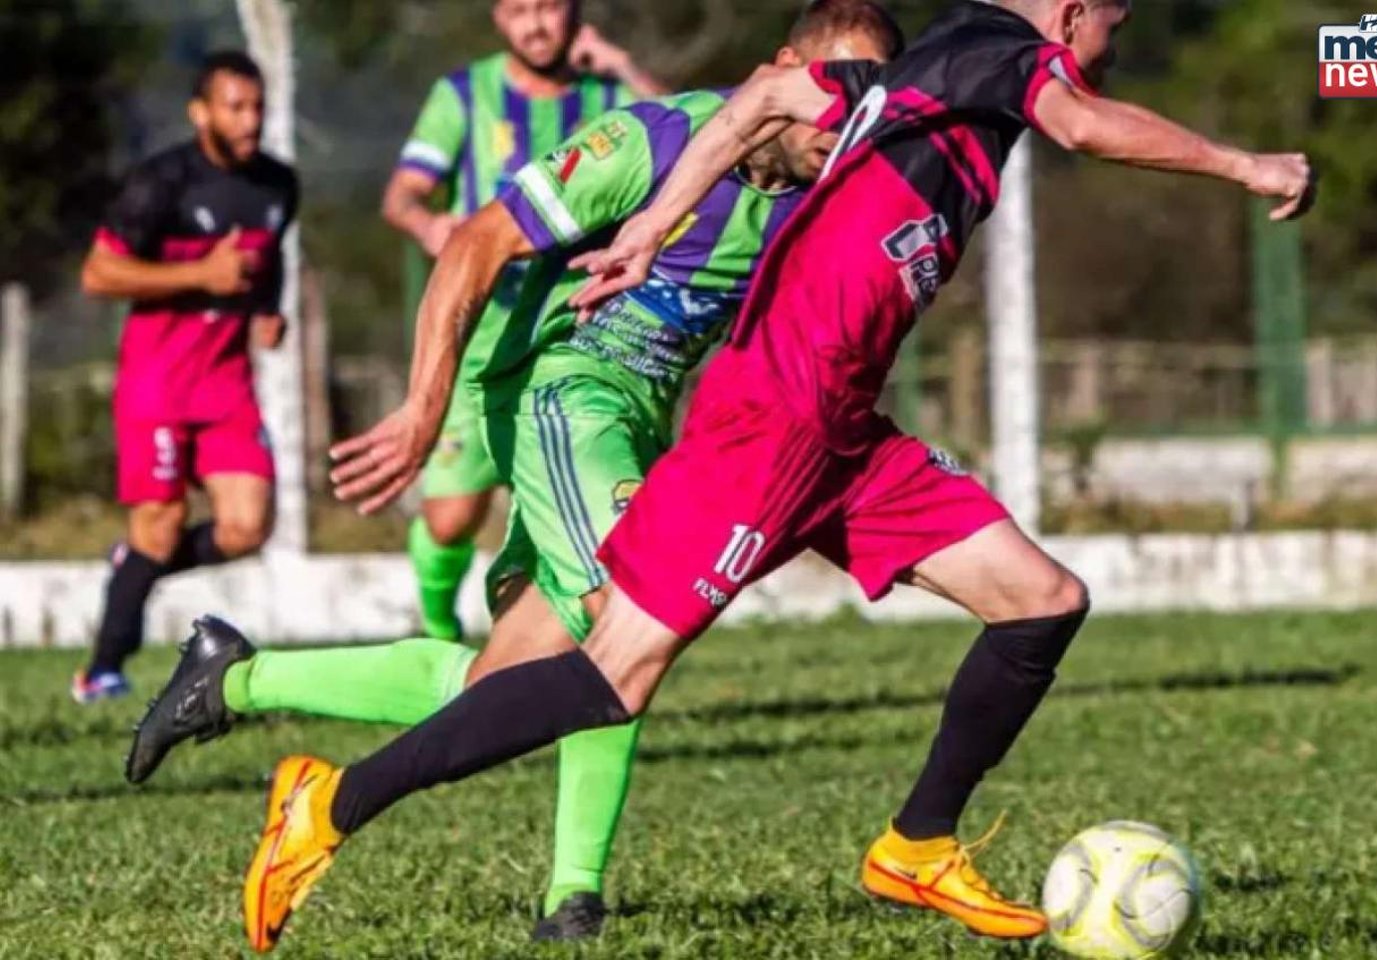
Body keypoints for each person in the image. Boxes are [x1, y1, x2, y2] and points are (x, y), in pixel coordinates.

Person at [231, 0, 1317, 950]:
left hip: (846, 430)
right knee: (611, 673)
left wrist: (653, 226)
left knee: (1041, 601)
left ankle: (916, 845)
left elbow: (758, 97)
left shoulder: (924, 73)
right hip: (772, 420)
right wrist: (1246, 165)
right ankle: (330, 807)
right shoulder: (1005, 52)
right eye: (1115, 20)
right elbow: (1079, 123)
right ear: (1073, 13)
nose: (1116, 41)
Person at [130, 3, 902, 947]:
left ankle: (236, 679)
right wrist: (422, 411)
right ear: (783, 72)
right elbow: (475, 241)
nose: (846, 116)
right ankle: (573, 902)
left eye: (870, 98)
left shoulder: (835, 189)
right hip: (557, 387)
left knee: (504, 685)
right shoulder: (656, 142)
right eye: (834, 89)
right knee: (632, 614)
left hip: (633, 418)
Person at [385, 0, 665, 643]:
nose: (535, 24)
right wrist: (428, 224)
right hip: (482, 327)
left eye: (549, 7)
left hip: (579, 328)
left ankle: (553, 650)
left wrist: (624, 65)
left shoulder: (609, 95)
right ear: (496, 16)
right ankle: (437, 629)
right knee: (451, 517)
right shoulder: (464, 95)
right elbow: (402, 194)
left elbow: (703, 140)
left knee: (568, 512)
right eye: (519, 9)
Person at [72, 51, 297, 703]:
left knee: (247, 527)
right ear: (201, 113)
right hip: (158, 380)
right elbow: (98, 274)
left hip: (227, 382)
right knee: (161, 521)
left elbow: (269, 260)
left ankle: (135, 568)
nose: (250, 120)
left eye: (257, 106)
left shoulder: (278, 184)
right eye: (235, 107)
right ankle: (102, 670)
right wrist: (200, 274)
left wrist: (267, 312)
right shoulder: (160, 183)